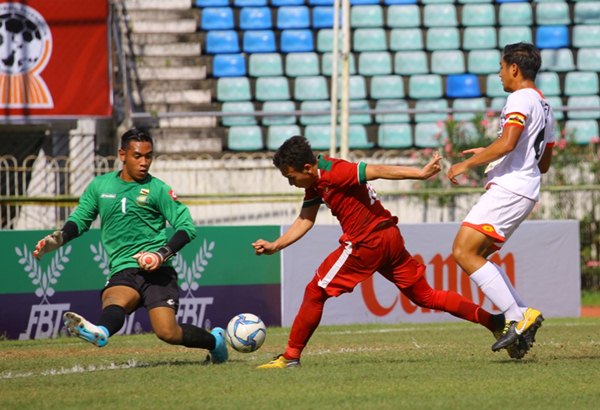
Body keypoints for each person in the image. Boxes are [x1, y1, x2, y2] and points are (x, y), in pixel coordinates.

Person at [252, 136, 506, 369]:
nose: (291, 183)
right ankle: (494, 322)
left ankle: (290, 357)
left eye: (291, 177)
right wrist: (277, 245)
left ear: (307, 168)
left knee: (315, 292)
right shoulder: (315, 182)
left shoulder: (335, 171)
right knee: (426, 296)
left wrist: (419, 174)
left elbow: (376, 171)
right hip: (389, 238)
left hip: (366, 243)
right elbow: (306, 219)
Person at [32, 128, 228, 364]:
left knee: (167, 332)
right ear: (122, 154)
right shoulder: (100, 186)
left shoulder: (158, 189)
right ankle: (101, 332)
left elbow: (187, 227)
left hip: (158, 273)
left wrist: (161, 254)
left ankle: (216, 342)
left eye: (149, 156)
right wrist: (60, 238)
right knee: (115, 301)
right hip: (124, 268)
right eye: (138, 156)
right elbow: (80, 219)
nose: (144, 162)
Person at [446, 42, 555, 356]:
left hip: (510, 188)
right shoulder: (545, 106)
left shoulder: (519, 98)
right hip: (526, 189)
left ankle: (518, 316)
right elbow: (543, 163)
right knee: (477, 254)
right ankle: (519, 318)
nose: (499, 74)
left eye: (501, 67)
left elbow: (508, 143)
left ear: (514, 69)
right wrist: (490, 152)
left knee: (463, 251)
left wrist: (466, 164)